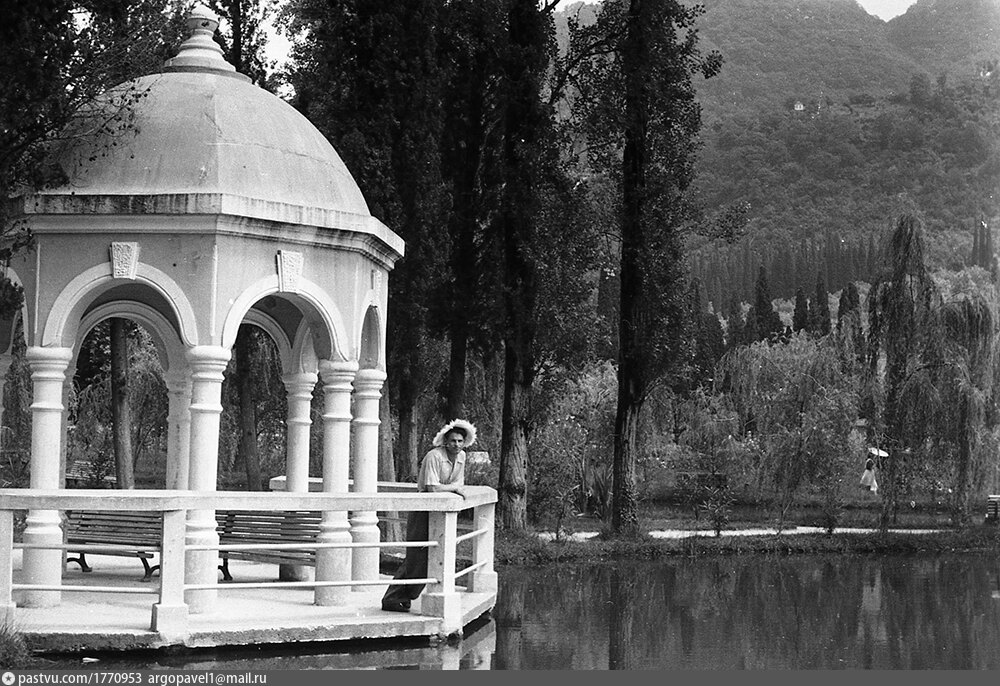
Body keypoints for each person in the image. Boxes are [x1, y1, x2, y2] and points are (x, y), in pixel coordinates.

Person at [381, 418, 476, 613]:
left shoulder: (462, 457)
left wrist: (453, 488)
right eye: (452, 441)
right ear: (445, 441)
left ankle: (406, 596)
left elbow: (458, 483)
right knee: (417, 555)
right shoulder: (434, 456)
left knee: (434, 555)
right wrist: (454, 489)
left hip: (440, 511)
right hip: (423, 509)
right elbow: (432, 487)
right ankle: (391, 598)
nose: (456, 445)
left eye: (460, 441)